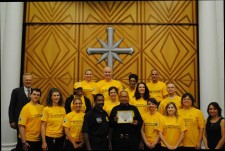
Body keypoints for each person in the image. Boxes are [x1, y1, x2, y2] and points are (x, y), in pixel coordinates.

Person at [8, 73, 33, 151]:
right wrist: (11, 121)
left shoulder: (35, 91)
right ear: (23, 81)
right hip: (20, 122)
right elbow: (12, 106)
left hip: (32, 123)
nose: (28, 81)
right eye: (26, 80)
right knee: (21, 142)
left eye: (30, 80)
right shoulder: (16, 91)